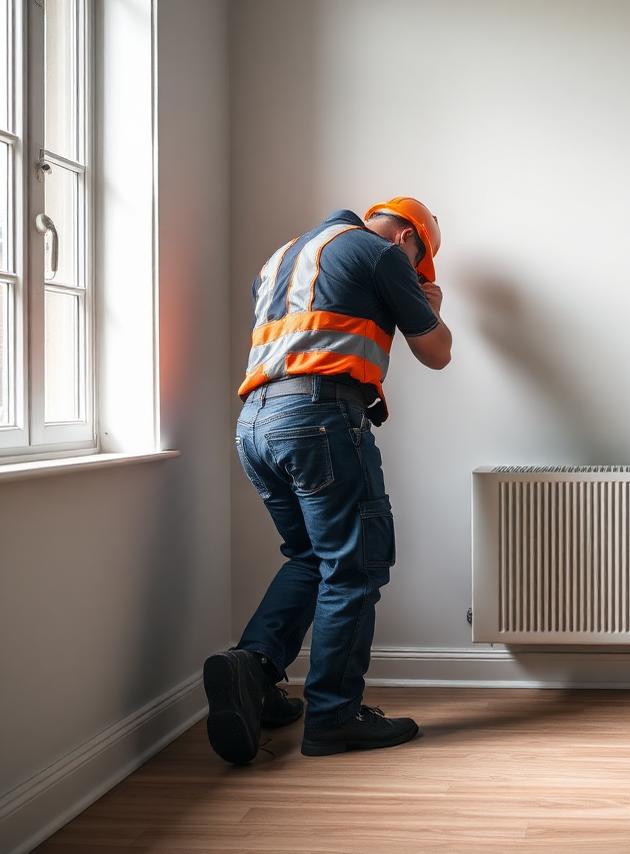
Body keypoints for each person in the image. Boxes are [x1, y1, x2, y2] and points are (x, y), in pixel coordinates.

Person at [204, 197, 451, 764]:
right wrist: (430, 307)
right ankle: (335, 717)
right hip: (320, 418)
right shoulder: (381, 253)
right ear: (408, 239)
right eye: (418, 262)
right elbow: (436, 353)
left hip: (255, 423)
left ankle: (253, 671)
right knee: (355, 565)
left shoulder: (281, 258)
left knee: (312, 557)